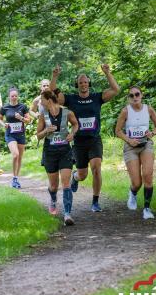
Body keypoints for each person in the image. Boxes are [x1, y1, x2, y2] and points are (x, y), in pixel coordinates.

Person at [51, 64, 119, 212]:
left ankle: (95, 201)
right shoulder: (71, 99)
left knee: (96, 168)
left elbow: (115, 90)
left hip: (94, 139)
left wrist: (107, 73)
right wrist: (55, 76)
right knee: (83, 174)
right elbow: (53, 95)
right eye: (81, 82)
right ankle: (75, 177)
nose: (83, 84)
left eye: (85, 82)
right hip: (79, 141)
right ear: (77, 85)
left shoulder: (97, 97)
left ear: (89, 84)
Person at [115, 86, 156, 219]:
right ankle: (133, 193)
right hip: (131, 147)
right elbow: (118, 131)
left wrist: (151, 133)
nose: (135, 97)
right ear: (128, 98)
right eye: (131, 96)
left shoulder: (148, 109)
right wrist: (129, 140)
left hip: (146, 144)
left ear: (141, 95)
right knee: (137, 183)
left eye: (137, 94)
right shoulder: (125, 111)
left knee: (148, 174)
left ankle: (147, 209)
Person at [37, 90, 79, 225]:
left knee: (66, 183)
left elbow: (76, 124)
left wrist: (72, 134)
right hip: (50, 151)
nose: (40, 102)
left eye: (41, 100)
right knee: (54, 186)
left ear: (48, 100)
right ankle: (53, 199)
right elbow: (38, 135)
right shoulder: (43, 115)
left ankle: (67, 214)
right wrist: (46, 131)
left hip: (64, 150)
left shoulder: (67, 112)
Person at [0, 87, 31, 188]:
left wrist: (21, 118)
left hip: (21, 134)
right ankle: (13, 177)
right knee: (15, 155)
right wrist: (4, 124)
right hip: (10, 134)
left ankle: (16, 178)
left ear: (18, 96)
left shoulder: (23, 106)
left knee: (20, 157)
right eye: (12, 96)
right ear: (9, 96)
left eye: (15, 96)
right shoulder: (5, 108)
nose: (14, 97)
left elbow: (28, 120)